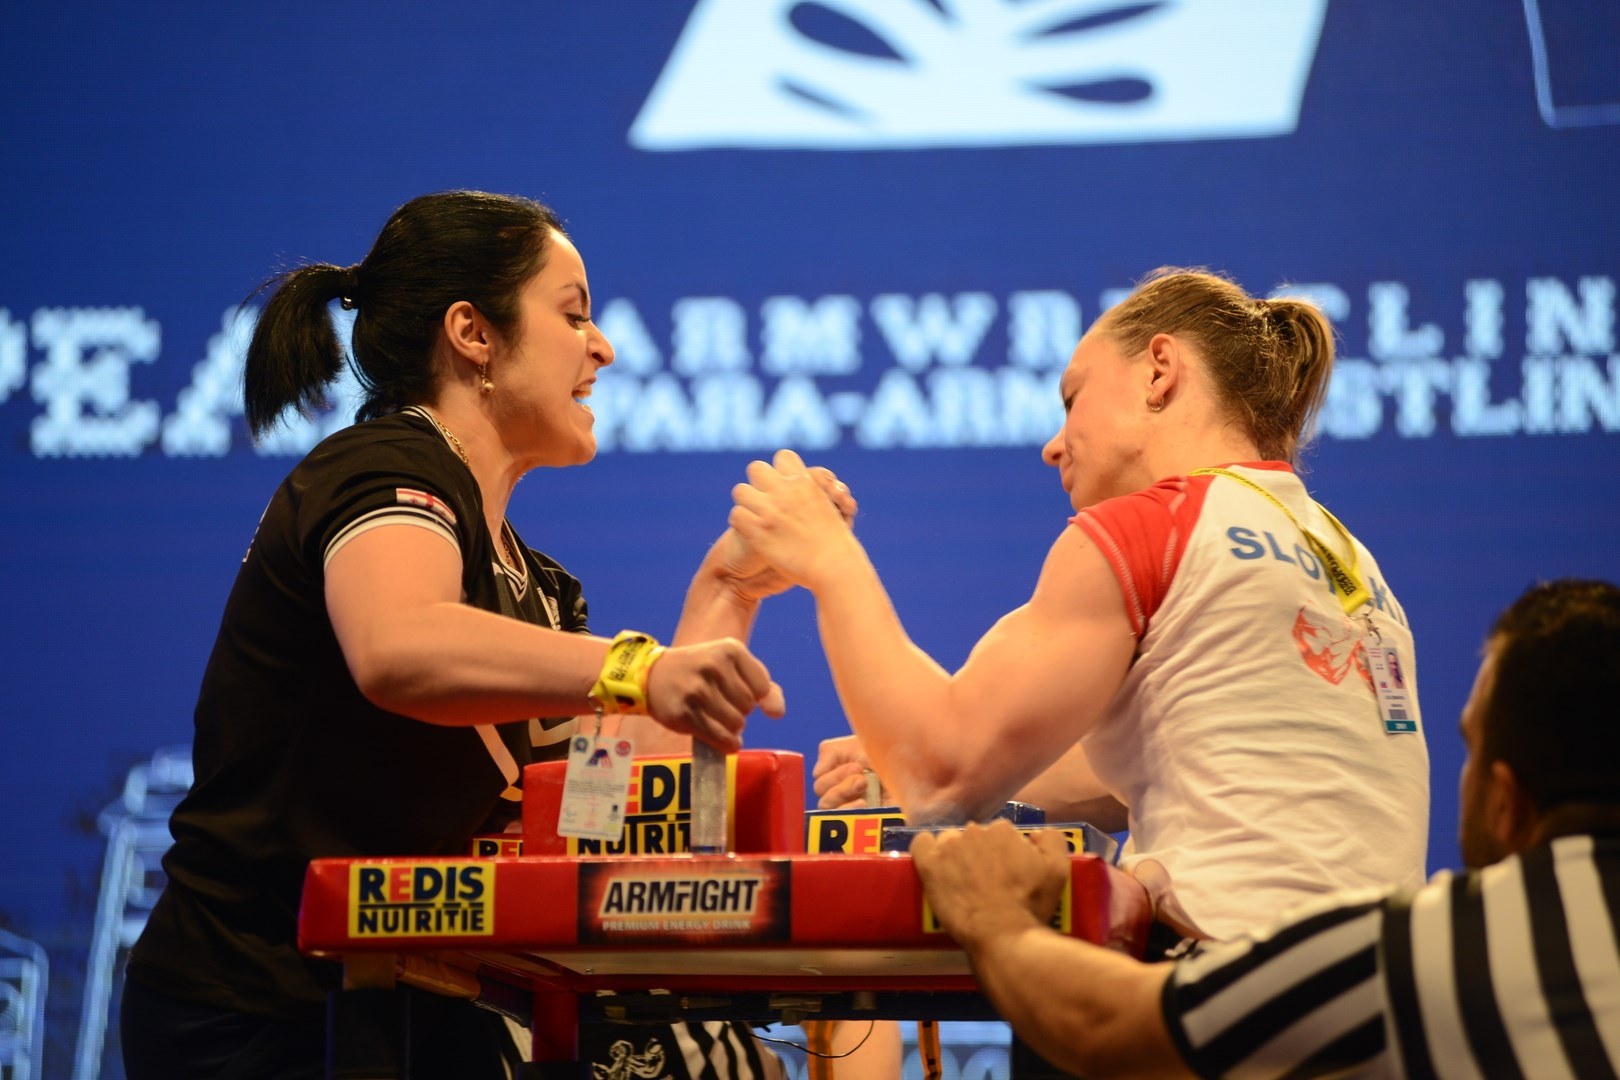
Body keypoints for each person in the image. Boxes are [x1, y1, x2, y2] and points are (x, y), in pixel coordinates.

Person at [120, 190, 847, 1079]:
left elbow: (596, 803)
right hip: (259, 1010)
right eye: (573, 314)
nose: (603, 347)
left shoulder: (536, 584)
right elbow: (400, 649)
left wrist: (727, 589)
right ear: (474, 333)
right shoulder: (384, 463)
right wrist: (635, 665)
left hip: (421, 993)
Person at [732, 267, 1429, 943]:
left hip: (1231, 997)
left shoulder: (1154, 525)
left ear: (1160, 370)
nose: (1053, 445)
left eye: (1072, 400)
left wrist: (826, 557)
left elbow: (941, 779)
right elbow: (1166, 766)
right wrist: (889, 761)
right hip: (1385, 1001)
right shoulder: (1346, 558)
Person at [911, 578, 1620, 1079]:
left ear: (1508, 802)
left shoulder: (1423, 950)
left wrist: (995, 916)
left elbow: (1108, 1028)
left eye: (1468, 745)